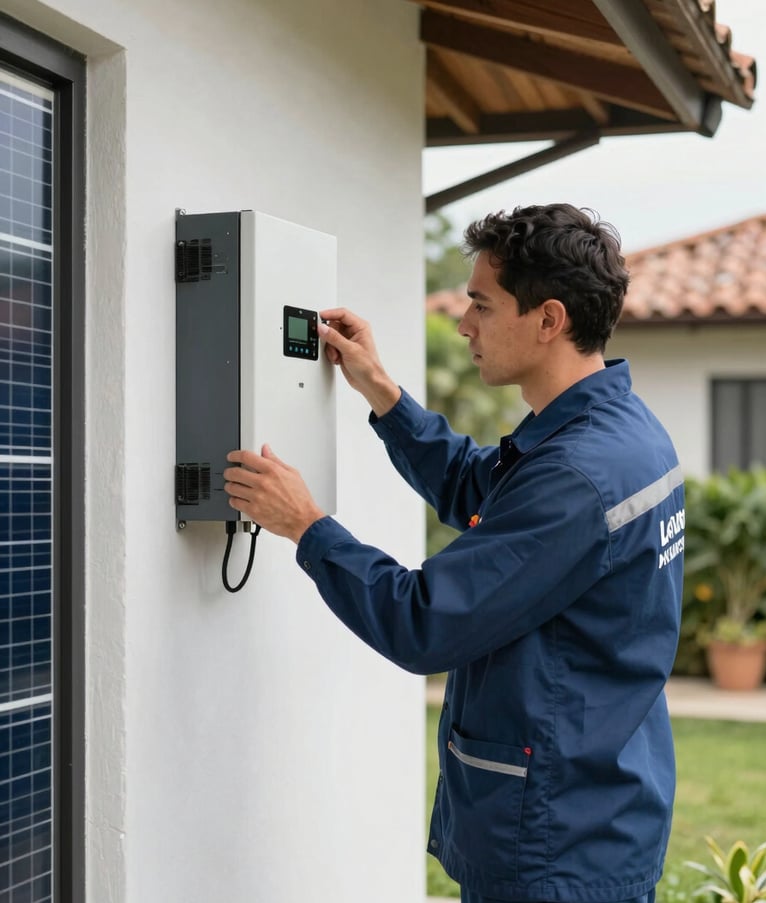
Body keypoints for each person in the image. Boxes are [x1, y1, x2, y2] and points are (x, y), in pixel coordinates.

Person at [223, 203, 684, 903]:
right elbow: (484, 492)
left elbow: (425, 622)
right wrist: (384, 395)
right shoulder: (621, 433)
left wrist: (308, 527)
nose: (464, 323)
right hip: (599, 813)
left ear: (549, 319)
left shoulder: (577, 474)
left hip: (554, 847)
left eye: (481, 304)